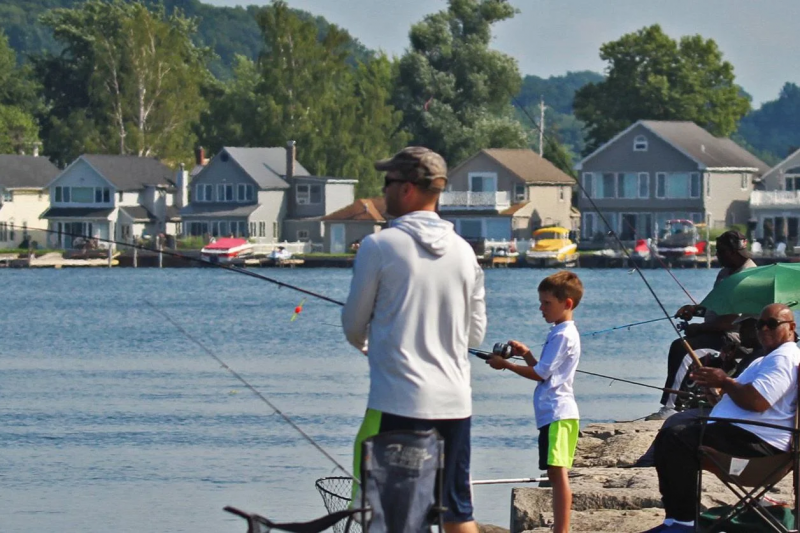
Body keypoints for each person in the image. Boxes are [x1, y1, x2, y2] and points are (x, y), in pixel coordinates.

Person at [341, 146, 487, 533]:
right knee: (457, 511)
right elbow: (476, 333)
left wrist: (370, 344)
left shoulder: (379, 246)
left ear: (406, 188)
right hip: (456, 402)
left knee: (398, 515)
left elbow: (354, 324)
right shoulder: (464, 252)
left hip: (399, 400)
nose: (382, 192)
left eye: (386, 183)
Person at [642, 303, 800, 533]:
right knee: (676, 431)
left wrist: (724, 381)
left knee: (676, 438)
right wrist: (716, 394)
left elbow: (757, 402)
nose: (764, 329)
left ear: (791, 327)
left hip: (760, 446)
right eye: (760, 324)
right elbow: (748, 400)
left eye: (772, 324)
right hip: (746, 434)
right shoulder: (764, 359)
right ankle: (677, 521)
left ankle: (683, 523)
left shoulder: (783, 358)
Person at [486, 271, 583, 533]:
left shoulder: (563, 334)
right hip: (553, 413)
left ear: (567, 303)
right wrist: (527, 354)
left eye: (547, 303)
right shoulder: (559, 332)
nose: (541, 308)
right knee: (553, 473)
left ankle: (561, 530)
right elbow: (543, 369)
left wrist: (506, 364)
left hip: (558, 412)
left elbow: (540, 374)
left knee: (558, 474)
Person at [648, 230, 757, 420]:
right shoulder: (724, 273)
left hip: (732, 337)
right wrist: (695, 310)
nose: (717, 255)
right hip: (717, 331)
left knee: (683, 348)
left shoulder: (746, 276)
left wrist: (698, 328)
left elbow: (729, 321)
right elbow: (715, 305)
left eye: (720, 252)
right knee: (684, 345)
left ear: (732, 252)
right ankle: (689, 400)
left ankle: (671, 407)